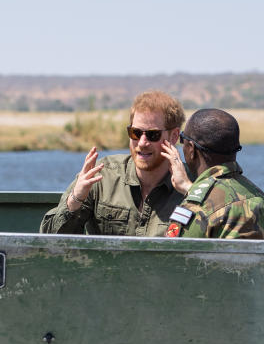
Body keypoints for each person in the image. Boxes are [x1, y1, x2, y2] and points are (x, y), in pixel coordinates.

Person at [39, 90, 185, 236]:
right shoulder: (101, 176)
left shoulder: (191, 186)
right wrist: (76, 199)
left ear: (174, 136)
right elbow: (49, 240)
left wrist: (189, 190)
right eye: (135, 133)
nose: (142, 143)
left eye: (153, 135)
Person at [160, 108, 264, 239]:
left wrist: (194, 196)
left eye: (182, 139)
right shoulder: (263, 201)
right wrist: (189, 188)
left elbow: (171, 257)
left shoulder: (195, 210)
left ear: (191, 149)